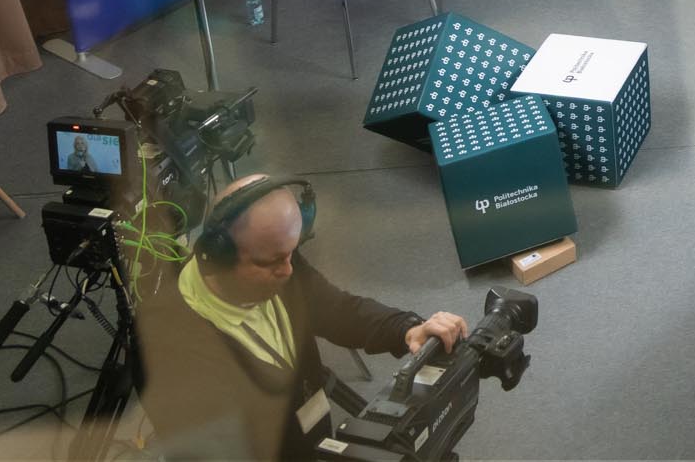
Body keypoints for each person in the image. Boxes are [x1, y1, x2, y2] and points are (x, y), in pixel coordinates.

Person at [138, 175, 469, 460]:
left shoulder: (280, 265)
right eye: (272, 261)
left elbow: (337, 310)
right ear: (219, 258)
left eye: (291, 253)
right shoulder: (168, 351)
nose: (288, 271)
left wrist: (407, 329)